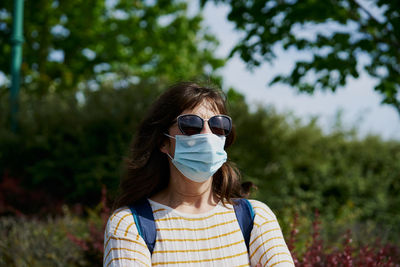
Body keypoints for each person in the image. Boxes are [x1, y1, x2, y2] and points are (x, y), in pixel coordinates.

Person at [103, 82, 294, 267]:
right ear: (163, 142)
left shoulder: (257, 218)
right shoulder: (129, 225)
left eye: (218, 125)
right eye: (191, 125)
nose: (207, 135)